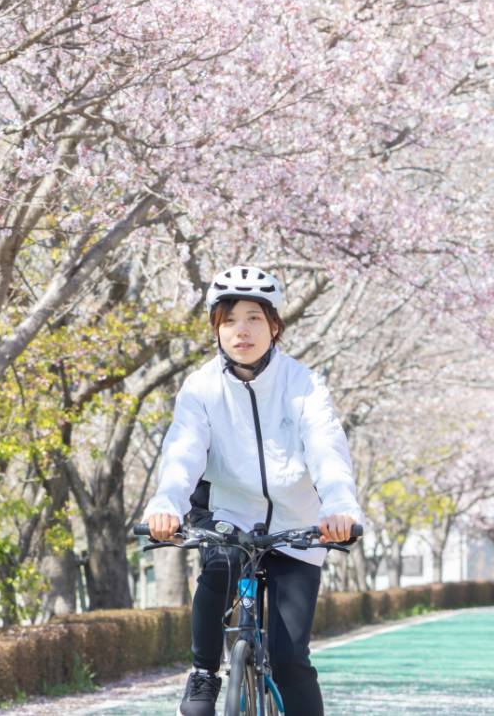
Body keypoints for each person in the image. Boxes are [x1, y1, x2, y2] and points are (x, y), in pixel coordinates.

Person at [142, 266, 362, 716]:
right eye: (229, 320)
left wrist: (339, 507)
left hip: (297, 526)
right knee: (219, 566)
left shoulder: (303, 385)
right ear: (215, 329)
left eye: (254, 318)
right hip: (229, 513)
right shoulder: (201, 387)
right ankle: (204, 671)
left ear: (274, 325)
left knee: (289, 660)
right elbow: (182, 453)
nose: (241, 330)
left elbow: (327, 450)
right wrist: (166, 506)